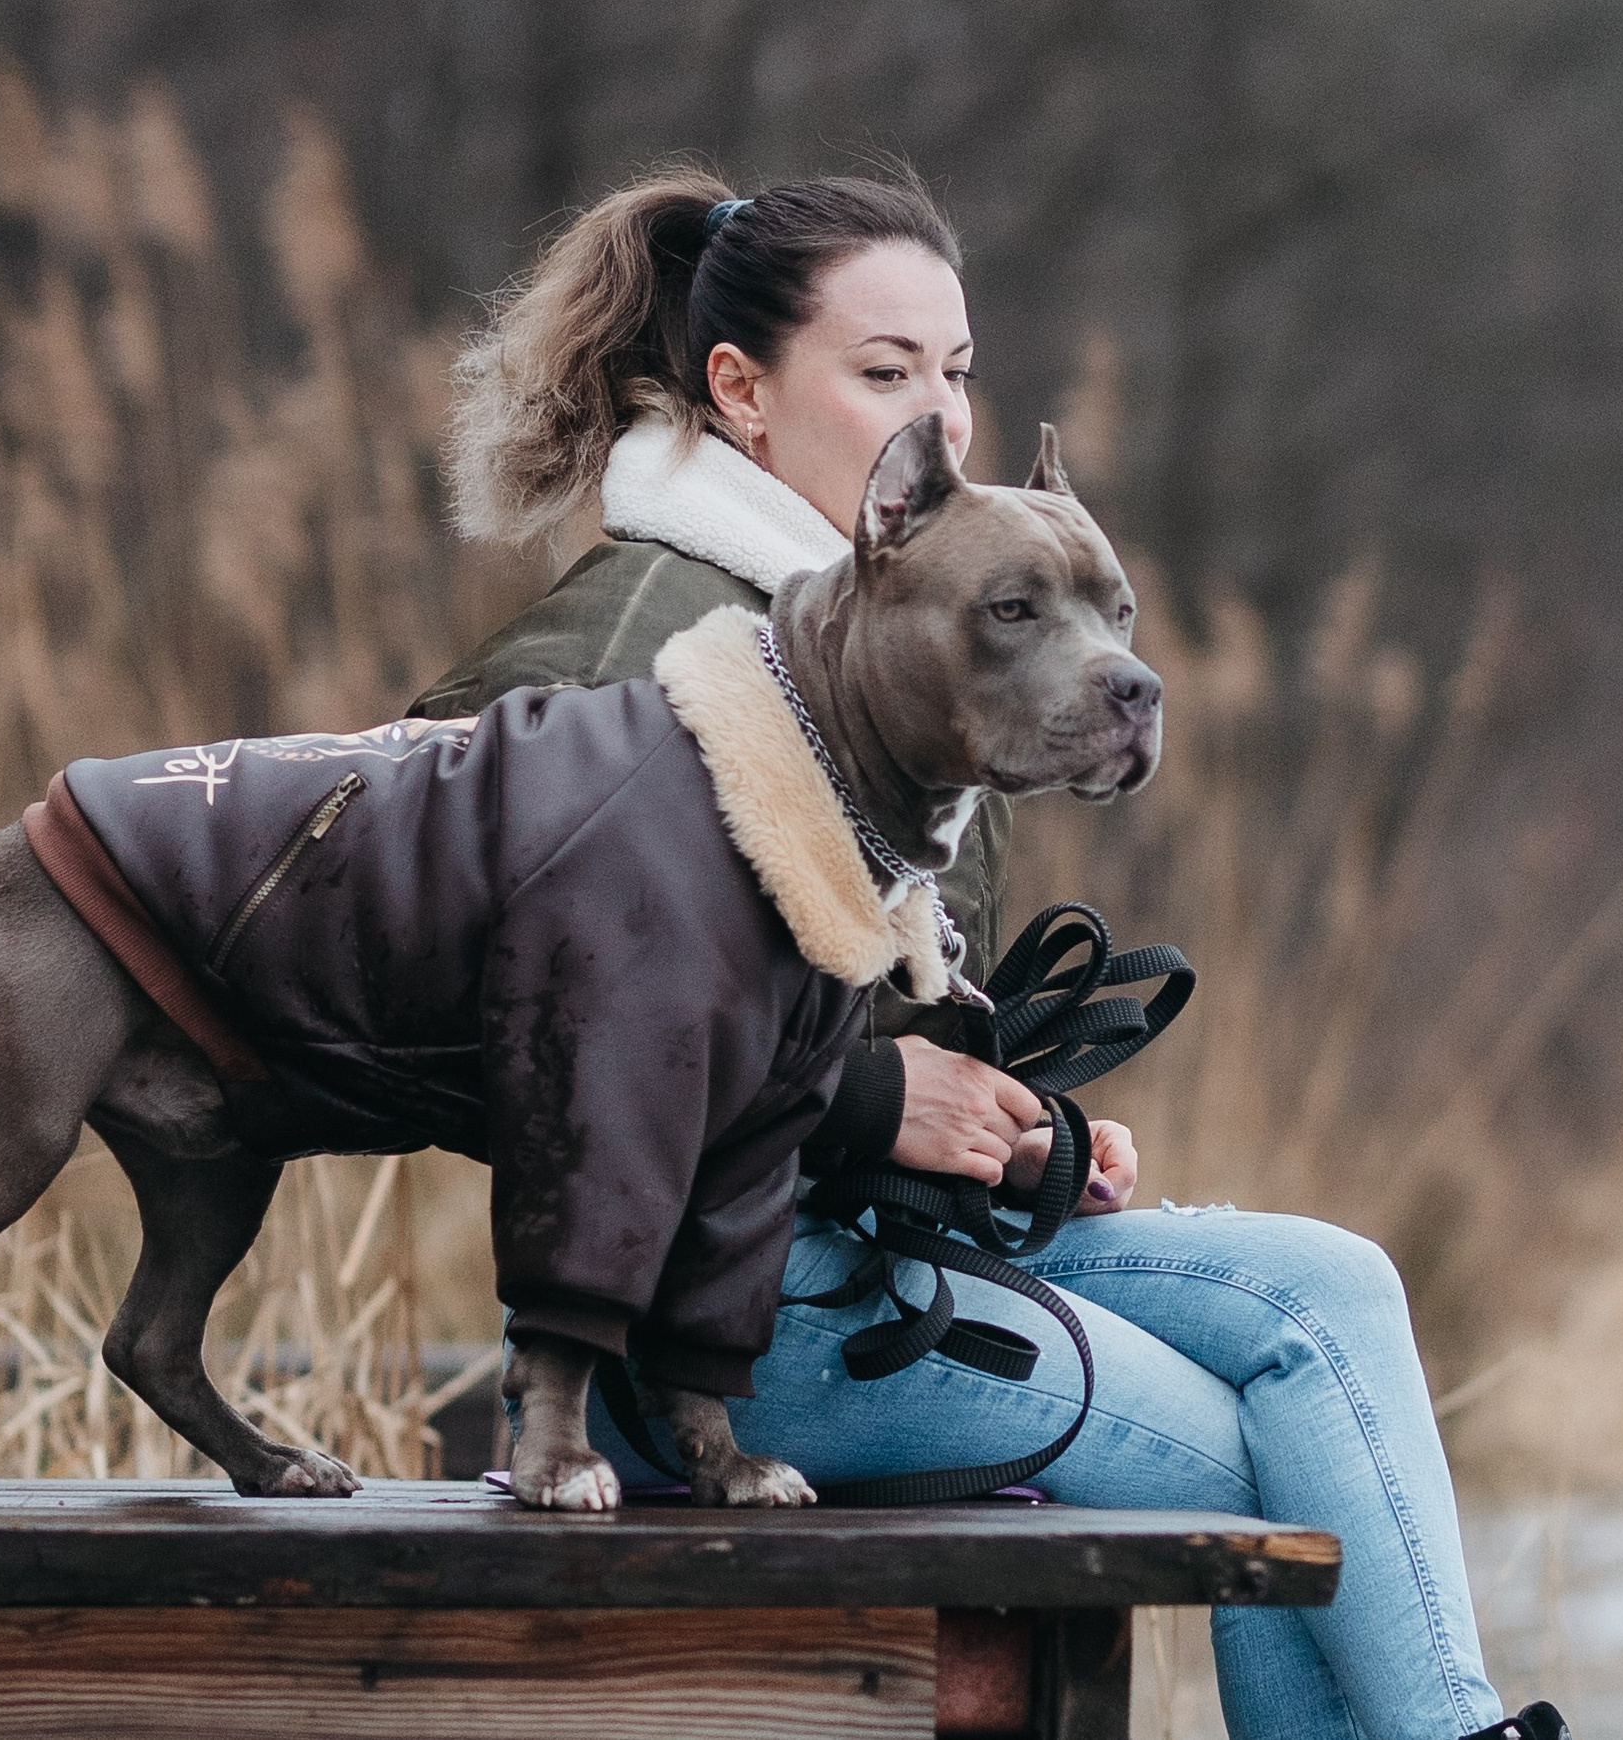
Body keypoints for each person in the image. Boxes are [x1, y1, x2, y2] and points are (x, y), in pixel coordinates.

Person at [411, 170, 1560, 1740]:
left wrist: (1014, 1128)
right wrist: (870, 1106)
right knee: (1249, 1458)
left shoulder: (914, 622)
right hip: (717, 1332)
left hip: (876, 1254)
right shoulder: (633, 646)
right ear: (740, 393)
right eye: (885, 373)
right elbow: (463, 1016)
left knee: (1334, 1291)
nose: (938, 416)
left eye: (955, 371)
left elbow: (840, 1007)